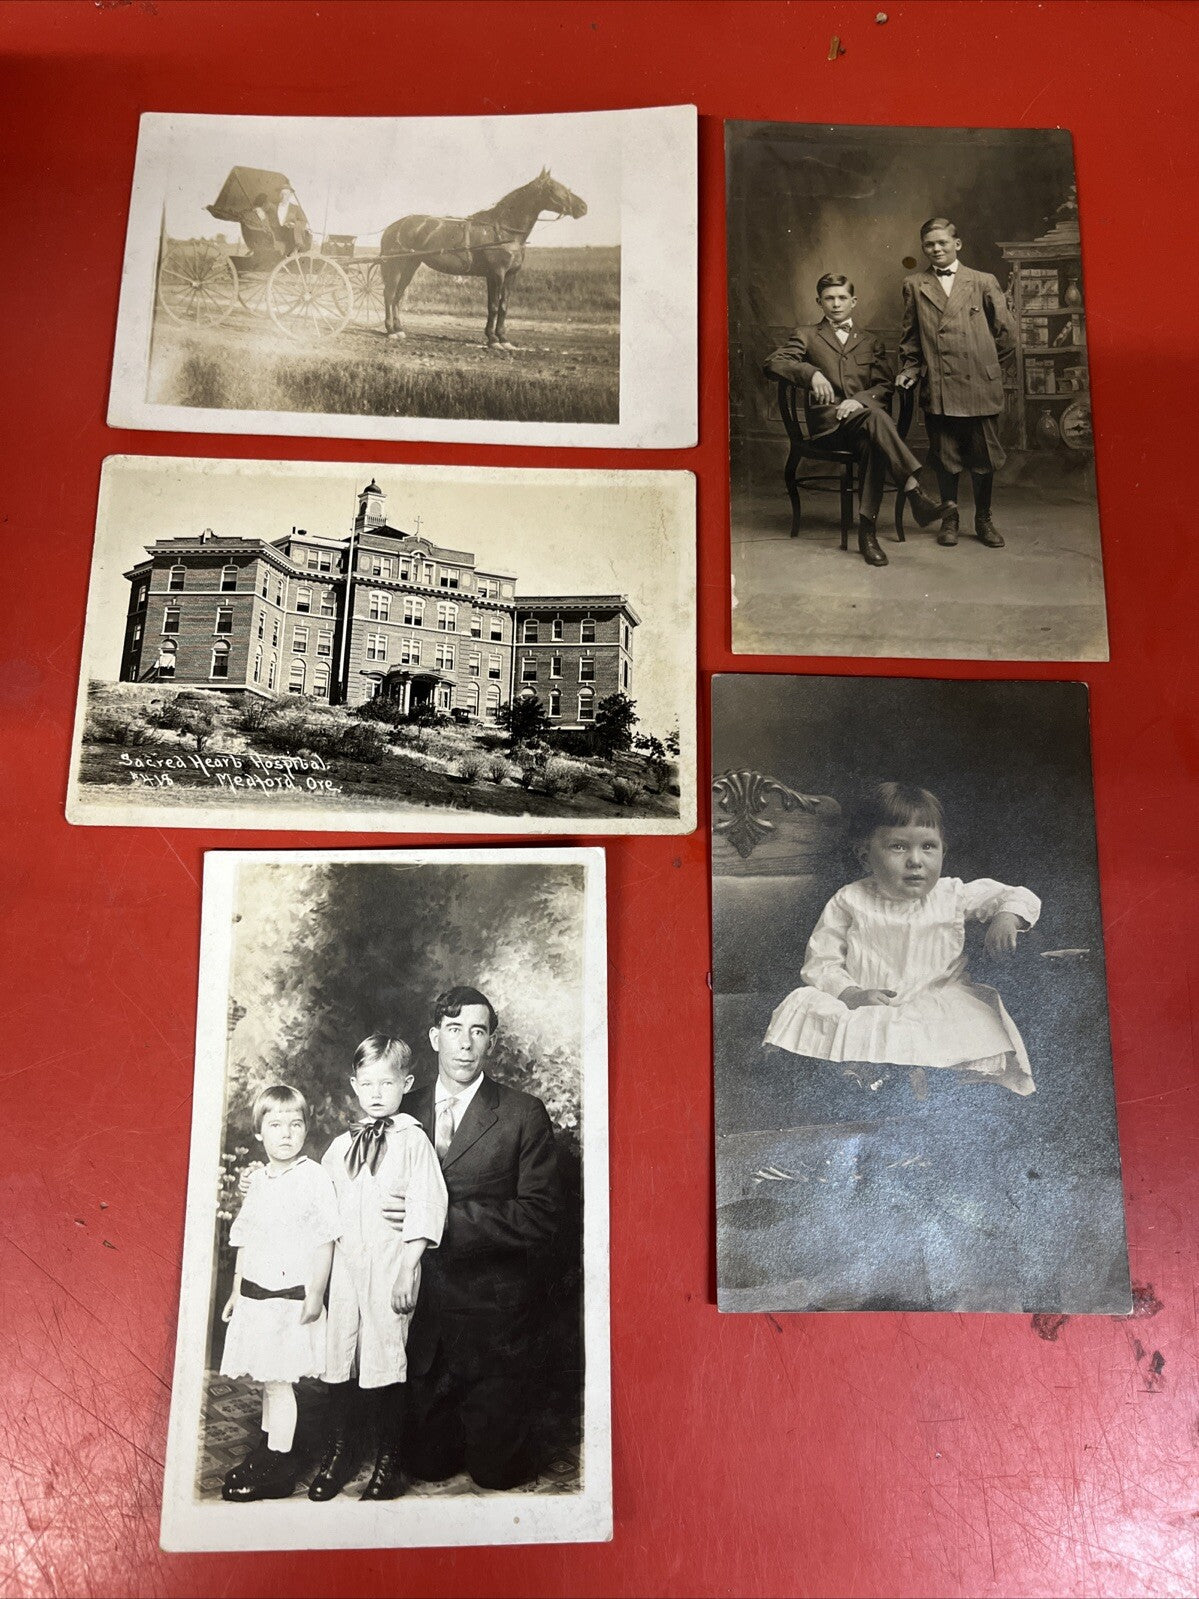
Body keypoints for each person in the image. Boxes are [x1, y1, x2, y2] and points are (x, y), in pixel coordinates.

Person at [382, 985, 562, 1491]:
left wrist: (438, 1222)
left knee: (498, 1476)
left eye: (478, 1031)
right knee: (425, 1467)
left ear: (491, 1043)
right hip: (418, 1321)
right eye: (455, 1030)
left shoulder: (523, 1113)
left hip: (493, 1326)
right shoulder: (399, 1109)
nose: (465, 1044)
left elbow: (542, 1216)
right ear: (435, 1037)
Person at [764, 782, 1041, 1098]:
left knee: (949, 1027)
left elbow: (1016, 894)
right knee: (815, 1007)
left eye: (928, 847)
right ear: (865, 856)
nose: (915, 860)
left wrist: (1007, 916)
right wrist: (851, 993)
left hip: (935, 1003)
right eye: (898, 847)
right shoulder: (849, 900)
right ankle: (865, 1078)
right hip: (868, 1002)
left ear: (942, 851)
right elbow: (822, 961)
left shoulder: (952, 894)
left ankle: (914, 1082)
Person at [310, 1034, 448, 1502]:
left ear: (405, 1084)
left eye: (385, 1083)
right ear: (354, 1085)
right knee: (341, 1352)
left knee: (387, 1355)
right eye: (366, 1083)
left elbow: (429, 1204)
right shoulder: (339, 1145)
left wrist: (410, 1267)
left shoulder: (413, 1141)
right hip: (346, 1268)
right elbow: (318, 1200)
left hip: (390, 1266)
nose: (375, 1093)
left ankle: (388, 1461)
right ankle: (339, 1451)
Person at [764, 273, 946, 568]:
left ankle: (867, 535)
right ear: (819, 302)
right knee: (876, 419)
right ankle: (915, 493)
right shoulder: (807, 335)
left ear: (854, 301)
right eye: (829, 298)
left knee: (872, 440)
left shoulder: (871, 341)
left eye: (842, 298)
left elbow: (884, 386)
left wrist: (858, 401)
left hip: (864, 425)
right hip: (828, 428)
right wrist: (811, 373)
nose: (836, 304)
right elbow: (772, 363)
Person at [218, 1085, 339, 1503]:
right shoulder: (259, 1180)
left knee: (281, 1379)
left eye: (295, 1124)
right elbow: (246, 1239)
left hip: (291, 1297)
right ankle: (269, 1449)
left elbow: (325, 1241)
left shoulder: (314, 1177)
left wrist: (316, 1293)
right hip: (258, 1295)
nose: (286, 1134)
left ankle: (281, 1463)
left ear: (306, 1129)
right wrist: (236, 1291)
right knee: (269, 1378)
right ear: (259, 1133)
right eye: (275, 1125)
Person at [897, 218, 1017, 549]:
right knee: (945, 457)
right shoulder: (914, 284)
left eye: (942, 243)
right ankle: (950, 519)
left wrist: (987, 367)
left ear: (957, 244)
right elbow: (909, 339)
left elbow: (1007, 335)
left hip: (979, 384)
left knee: (983, 458)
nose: (936, 249)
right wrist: (910, 367)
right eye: (928, 245)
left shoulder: (983, 281)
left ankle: (983, 519)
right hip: (940, 385)